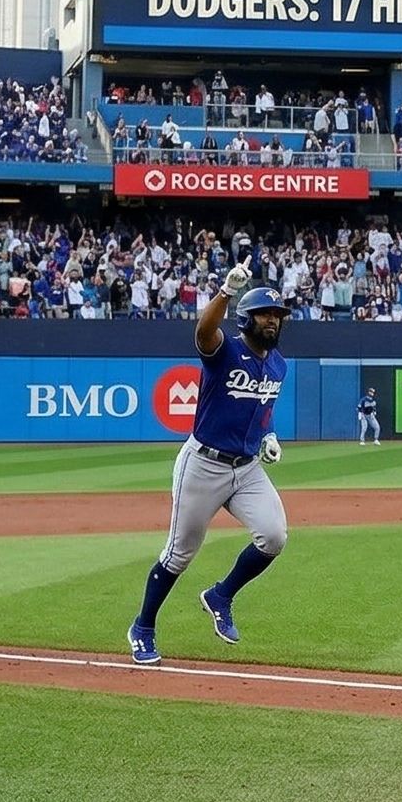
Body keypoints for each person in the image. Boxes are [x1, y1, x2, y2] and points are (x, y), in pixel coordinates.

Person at [126, 263, 291, 667]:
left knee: (274, 536)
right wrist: (225, 292)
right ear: (245, 319)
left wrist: (267, 436)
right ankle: (142, 627)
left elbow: (262, 408)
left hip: (247, 467)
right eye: (265, 314)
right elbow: (203, 333)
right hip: (203, 464)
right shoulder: (226, 351)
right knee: (179, 554)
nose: (273, 320)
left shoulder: (279, 365)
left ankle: (220, 595)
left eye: (278, 315)